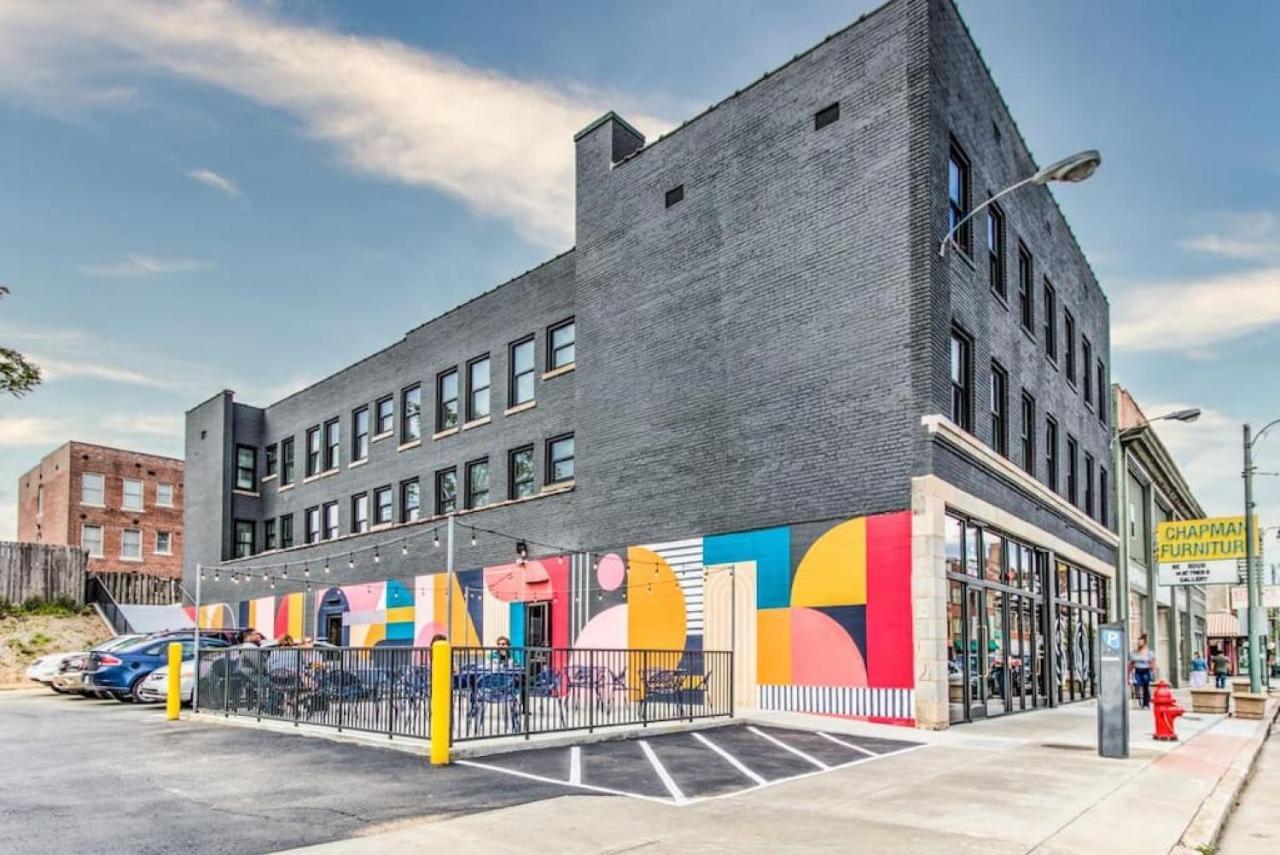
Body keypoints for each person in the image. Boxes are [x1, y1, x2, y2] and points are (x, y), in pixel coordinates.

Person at [1130, 634, 1157, 708]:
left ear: (1144, 643)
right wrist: (1128, 673)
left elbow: (1152, 662)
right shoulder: (1134, 652)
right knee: (1136, 684)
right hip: (1137, 671)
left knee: (1145, 686)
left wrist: (1154, 671)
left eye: (1141, 642)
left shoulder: (1148, 652)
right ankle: (1138, 701)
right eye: (1138, 642)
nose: (1139, 643)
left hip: (1145, 670)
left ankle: (1146, 703)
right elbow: (1130, 663)